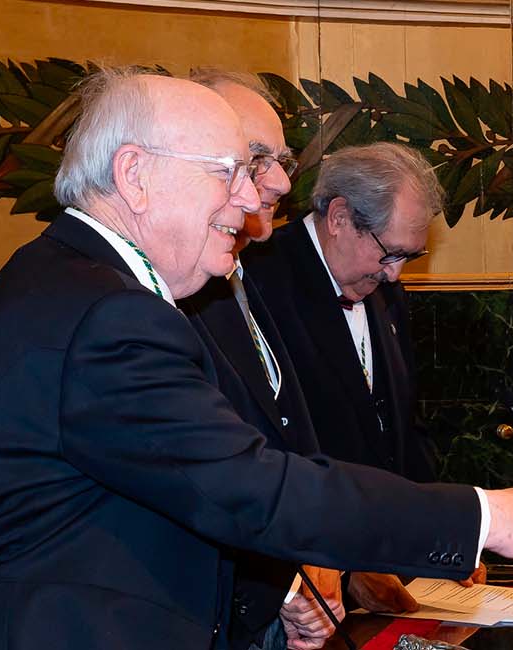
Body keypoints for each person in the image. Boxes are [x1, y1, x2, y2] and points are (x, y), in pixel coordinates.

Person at [0, 68, 513, 650]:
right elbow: (247, 487)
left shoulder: (62, 274)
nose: (253, 198)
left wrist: (281, 594)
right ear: (135, 176)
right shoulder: (107, 315)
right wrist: (482, 516)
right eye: (227, 171)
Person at [242, 142, 478, 618]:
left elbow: (403, 433)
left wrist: (442, 540)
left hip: (387, 573)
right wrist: (348, 569)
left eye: (409, 256)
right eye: (390, 252)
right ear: (339, 217)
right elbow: (267, 461)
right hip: (303, 591)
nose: (395, 274)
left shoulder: (381, 288)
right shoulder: (257, 280)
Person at [176, 68, 339, 650]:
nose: (276, 181)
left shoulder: (246, 271)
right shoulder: (172, 291)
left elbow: (289, 435)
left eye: (281, 160)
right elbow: (209, 478)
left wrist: (315, 561)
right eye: (255, 159)